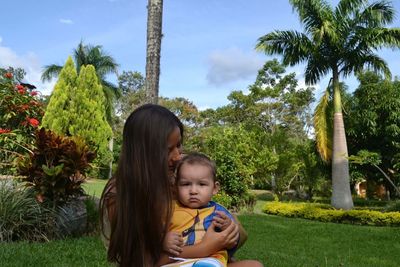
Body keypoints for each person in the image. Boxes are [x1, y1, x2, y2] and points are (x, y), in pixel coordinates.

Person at [100, 104, 243, 267]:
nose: (177, 156)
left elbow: (234, 235)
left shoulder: (177, 176)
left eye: (179, 145)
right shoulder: (120, 195)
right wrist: (205, 248)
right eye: (168, 150)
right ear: (144, 153)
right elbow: (143, 262)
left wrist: (230, 230)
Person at [162, 152, 263, 267]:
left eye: (202, 184)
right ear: (175, 187)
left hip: (213, 262)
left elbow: (233, 243)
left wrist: (228, 229)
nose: (193, 191)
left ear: (215, 188)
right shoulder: (169, 209)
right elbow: (151, 238)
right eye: (186, 184)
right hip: (180, 263)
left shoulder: (219, 213)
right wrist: (164, 241)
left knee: (255, 265)